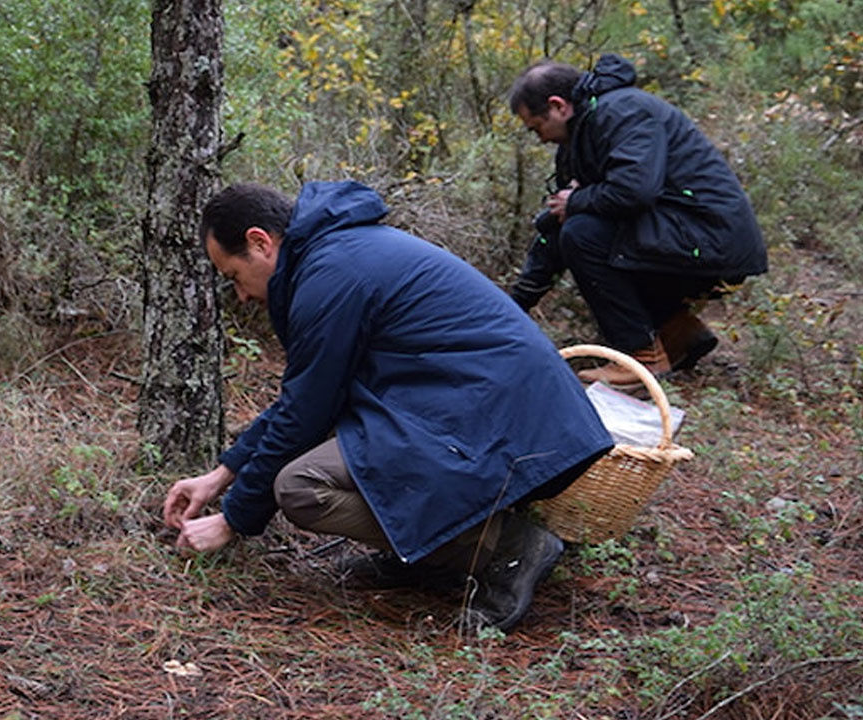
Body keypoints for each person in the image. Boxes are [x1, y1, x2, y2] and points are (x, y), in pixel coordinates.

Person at [162, 180, 613, 632]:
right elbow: (303, 398)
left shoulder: (330, 274)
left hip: (496, 415)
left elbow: (304, 415)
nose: (240, 296)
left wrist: (234, 519)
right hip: (493, 409)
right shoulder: (334, 255)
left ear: (260, 243)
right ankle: (425, 552)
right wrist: (222, 474)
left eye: (233, 277)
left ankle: (506, 547)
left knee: (301, 488)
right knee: (351, 445)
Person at [507, 54, 768, 388]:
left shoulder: (622, 111)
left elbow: (634, 192)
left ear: (557, 106)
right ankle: (678, 333)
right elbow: (558, 226)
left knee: (583, 233)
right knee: (577, 228)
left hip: (714, 239)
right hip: (687, 236)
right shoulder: (579, 138)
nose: (539, 138)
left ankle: (639, 357)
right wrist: (516, 304)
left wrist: (577, 202)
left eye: (537, 127)